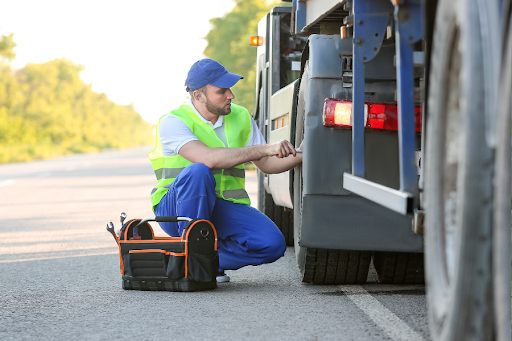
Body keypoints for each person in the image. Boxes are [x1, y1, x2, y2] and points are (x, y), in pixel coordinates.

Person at [148, 59, 303, 283]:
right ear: (198, 96)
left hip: (220, 207)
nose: (231, 95)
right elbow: (207, 159)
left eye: (230, 88)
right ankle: (191, 257)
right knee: (198, 171)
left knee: (272, 244)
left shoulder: (240, 117)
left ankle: (203, 260)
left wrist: (304, 152)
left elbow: (268, 165)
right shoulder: (173, 122)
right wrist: (266, 148)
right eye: (221, 91)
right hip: (176, 209)